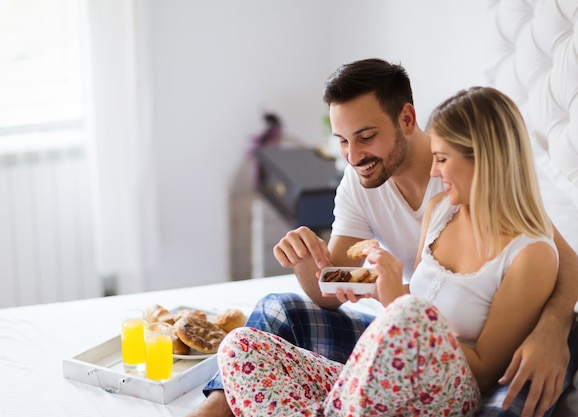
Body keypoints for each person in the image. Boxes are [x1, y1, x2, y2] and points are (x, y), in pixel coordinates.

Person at [186, 59, 578, 417]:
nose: (352, 156)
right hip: (401, 343)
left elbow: (563, 264)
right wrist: (313, 262)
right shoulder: (431, 206)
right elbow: (335, 283)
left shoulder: (511, 220)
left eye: (366, 137)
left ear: (407, 119)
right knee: (247, 338)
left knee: (408, 317)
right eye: (342, 140)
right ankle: (222, 406)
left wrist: (553, 330)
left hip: (444, 361)